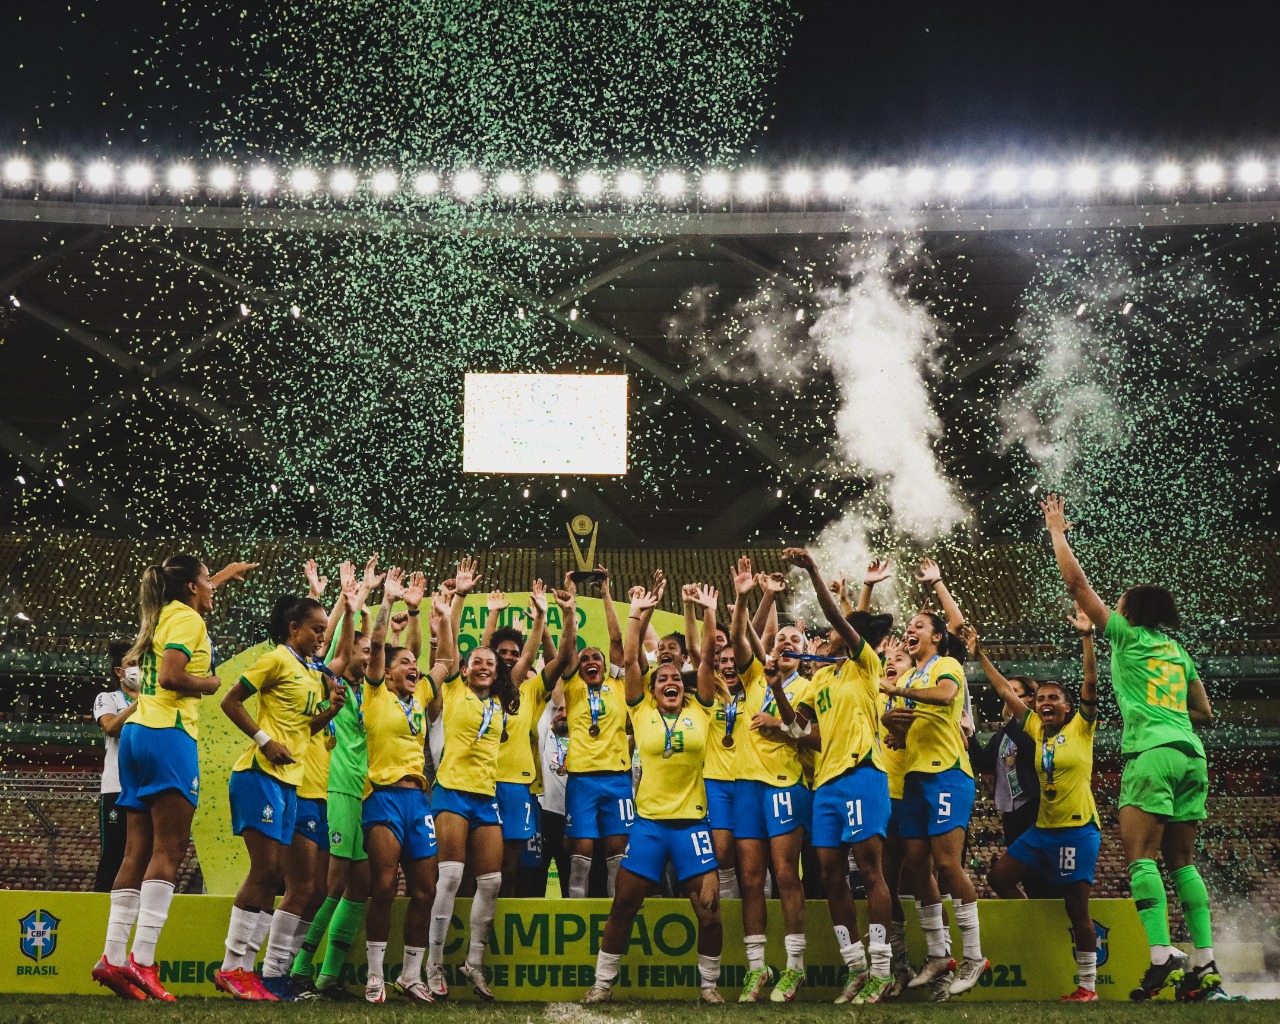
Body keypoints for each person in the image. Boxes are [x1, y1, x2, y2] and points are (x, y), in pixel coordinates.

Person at [1041, 493, 1224, 1001]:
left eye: (1118, 603)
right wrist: (1164, 711)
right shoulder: (1177, 650)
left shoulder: (1127, 637)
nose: (1112, 606)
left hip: (1151, 755)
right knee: (1183, 863)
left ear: (1129, 612)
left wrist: (1057, 531)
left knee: (1141, 857)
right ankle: (1206, 967)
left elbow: (1077, 585)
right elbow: (1206, 714)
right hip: (1192, 755)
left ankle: (1162, 956)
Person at [92, 554, 256, 1001]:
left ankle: (112, 957)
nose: (211, 589)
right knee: (170, 849)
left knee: (136, 849)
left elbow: (185, 607)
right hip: (171, 735)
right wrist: (210, 684)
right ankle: (143, 962)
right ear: (190, 588)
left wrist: (220, 576)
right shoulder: (187, 620)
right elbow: (171, 677)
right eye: (207, 580)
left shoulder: (162, 612)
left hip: (138, 735)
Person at [214, 580, 356, 1001]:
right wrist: (263, 740)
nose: (321, 637)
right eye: (316, 629)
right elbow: (230, 700)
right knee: (265, 872)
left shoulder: (310, 674)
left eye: (324, 630)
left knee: (275, 875)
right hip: (258, 774)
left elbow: (300, 729)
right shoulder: (275, 659)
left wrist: (330, 711)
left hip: (288, 783)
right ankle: (232, 967)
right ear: (294, 629)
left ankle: (247, 971)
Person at [582, 583, 724, 1004]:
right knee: (623, 906)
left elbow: (708, 660)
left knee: (710, 912)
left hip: (692, 826)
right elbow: (628, 659)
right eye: (660, 678)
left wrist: (708, 613)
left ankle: (709, 988)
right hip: (647, 827)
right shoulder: (639, 709)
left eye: (674, 678)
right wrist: (635, 615)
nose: (668, 681)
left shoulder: (701, 708)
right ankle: (602, 985)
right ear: (652, 686)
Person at [426, 572, 550, 1001]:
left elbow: (527, 655)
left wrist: (540, 619)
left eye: (491, 663)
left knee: (493, 881)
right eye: (477, 660)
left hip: (486, 797)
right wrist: (452, 606)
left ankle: (473, 964)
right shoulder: (455, 692)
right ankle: (434, 964)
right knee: (451, 876)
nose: (484, 666)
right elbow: (446, 650)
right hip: (451, 793)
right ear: (464, 668)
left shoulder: (502, 699)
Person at [967, 611, 1102, 1002]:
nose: (1045, 702)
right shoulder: (1034, 730)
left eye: (1053, 698)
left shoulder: (1081, 728)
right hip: (1042, 830)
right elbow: (1006, 693)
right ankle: (1035, 929)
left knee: (1076, 906)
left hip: (1077, 829)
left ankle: (1088, 986)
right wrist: (979, 656)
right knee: (999, 879)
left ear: (1068, 706)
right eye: (1040, 698)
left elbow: (1090, 681)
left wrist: (1087, 637)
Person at [784, 548, 896, 1004]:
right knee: (829, 876)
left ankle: (883, 969)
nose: (828, 636)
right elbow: (797, 728)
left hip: (862, 774)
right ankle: (856, 968)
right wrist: (775, 683)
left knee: (871, 872)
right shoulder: (820, 681)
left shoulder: (864, 666)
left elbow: (843, 619)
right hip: (824, 784)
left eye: (834, 632)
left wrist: (813, 571)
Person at [292, 559, 405, 997]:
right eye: (362, 650)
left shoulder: (372, 694)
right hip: (338, 789)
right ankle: (299, 967)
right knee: (333, 884)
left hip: (369, 794)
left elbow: (387, 657)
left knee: (358, 888)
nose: (367, 654)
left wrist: (393, 631)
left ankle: (329, 977)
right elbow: (330, 650)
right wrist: (350, 604)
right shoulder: (333, 681)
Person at [880, 610, 987, 998]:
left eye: (918, 627)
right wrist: (894, 727)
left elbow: (944, 696)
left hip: (947, 774)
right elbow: (904, 727)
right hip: (914, 777)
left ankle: (974, 956)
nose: (910, 632)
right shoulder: (907, 676)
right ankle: (940, 955)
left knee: (946, 864)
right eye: (908, 629)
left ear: (938, 637)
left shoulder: (947, 665)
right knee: (916, 865)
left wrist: (897, 694)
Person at [362, 589, 456, 1004]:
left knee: (425, 890)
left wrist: (434, 614)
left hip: (418, 801)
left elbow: (445, 662)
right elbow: (380, 643)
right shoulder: (375, 693)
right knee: (383, 887)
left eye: (414, 665)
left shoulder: (419, 695)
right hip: (381, 798)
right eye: (405, 663)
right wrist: (390, 601)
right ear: (386, 671)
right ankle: (375, 975)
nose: (413, 669)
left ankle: (411, 975)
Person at [729, 556, 816, 1003]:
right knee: (750, 879)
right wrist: (752, 595)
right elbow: (740, 636)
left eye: (794, 639)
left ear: (804, 651)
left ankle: (795, 967)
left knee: (785, 876)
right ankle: (756, 968)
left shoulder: (808, 687)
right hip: (746, 785)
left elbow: (807, 734)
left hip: (785, 786)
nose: (784, 643)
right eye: (780, 637)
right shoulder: (752, 678)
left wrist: (778, 725)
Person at [93, 640, 140, 892]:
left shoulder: (157, 701)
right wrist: (140, 703)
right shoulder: (107, 698)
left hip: (146, 788)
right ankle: (100, 913)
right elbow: (110, 727)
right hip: (117, 787)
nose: (138, 669)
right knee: (114, 853)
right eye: (132, 664)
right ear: (118, 672)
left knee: (142, 854)